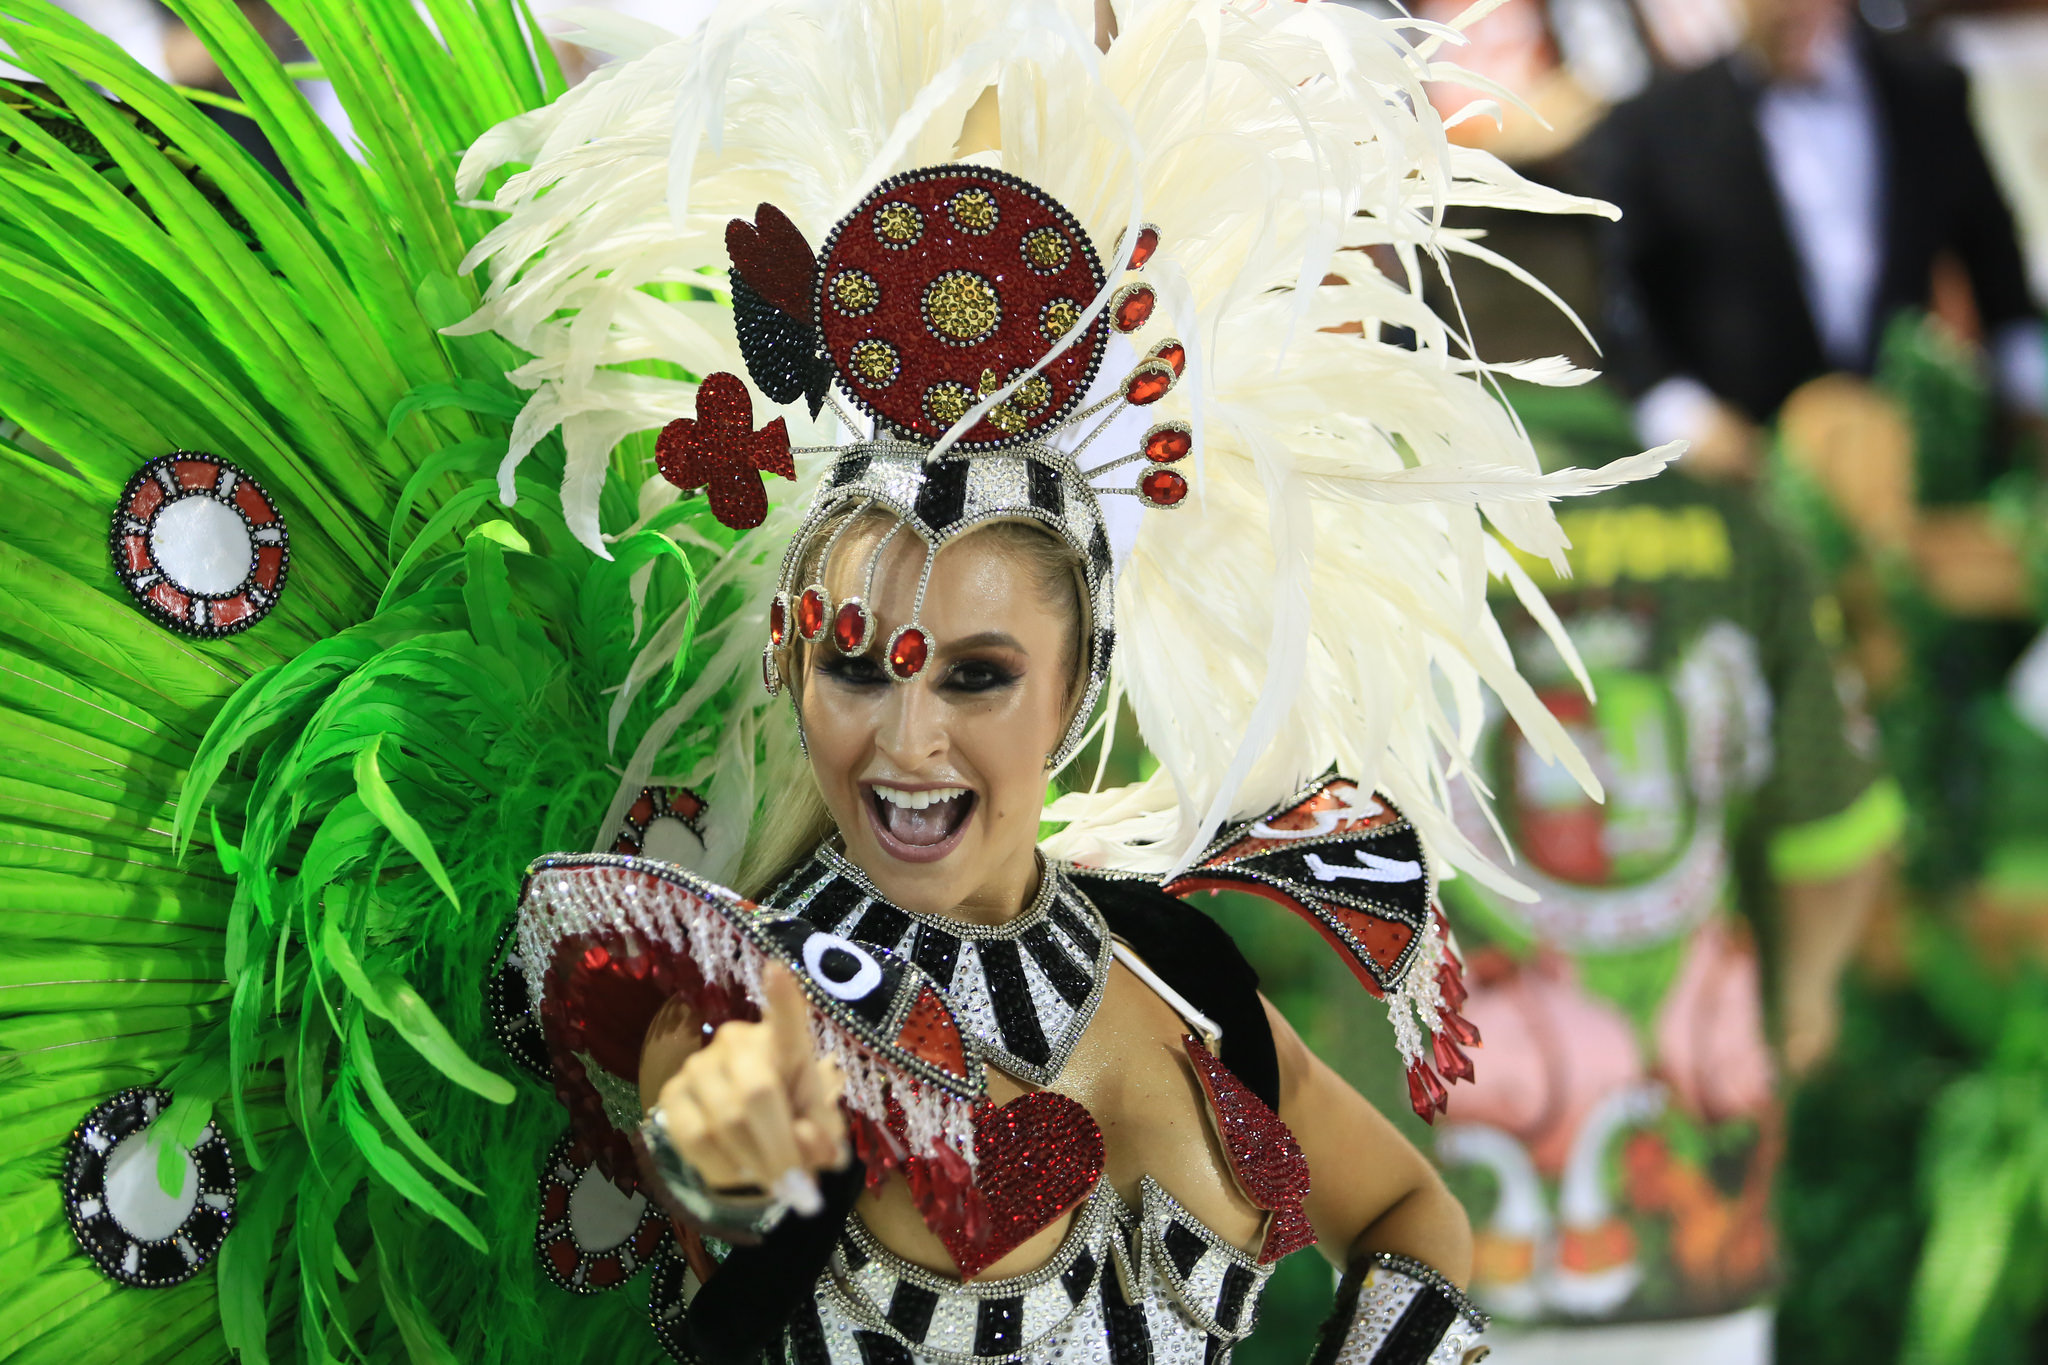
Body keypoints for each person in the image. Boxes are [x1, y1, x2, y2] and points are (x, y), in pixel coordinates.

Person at [0, 2, 1672, 1362]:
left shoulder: (1179, 974)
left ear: (1077, 681)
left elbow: (1411, 1212)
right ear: (794, 658)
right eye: (857, 667)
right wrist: (720, 1151)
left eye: (978, 675)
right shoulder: (743, 991)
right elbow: (718, 1142)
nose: (907, 738)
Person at [1429, 389, 1901, 1365]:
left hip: (1425, 1221)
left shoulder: (1356, 516)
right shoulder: (1734, 525)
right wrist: (1803, 996)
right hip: (1698, 1243)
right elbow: (1837, 830)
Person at [1588, 0, 2045, 479]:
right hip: (1745, 467)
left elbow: (1994, 257)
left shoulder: (1927, 91)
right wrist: (1684, 419)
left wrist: (2026, 395)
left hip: (1910, 452)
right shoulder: (1653, 124)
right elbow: (1622, 300)